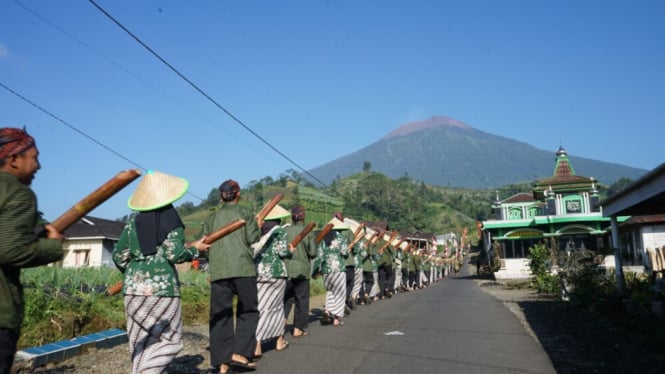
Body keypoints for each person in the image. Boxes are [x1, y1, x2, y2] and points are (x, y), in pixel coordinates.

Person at [112, 170, 210, 374]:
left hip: (132, 290)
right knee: (171, 341)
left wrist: (134, 272)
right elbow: (175, 253)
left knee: (140, 344)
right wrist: (195, 250)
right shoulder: (171, 220)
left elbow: (119, 255)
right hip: (163, 291)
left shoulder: (132, 223)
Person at [0, 127, 64, 374]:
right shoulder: (18, 193)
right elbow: (9, 250)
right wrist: (53, 245)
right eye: (34, 157)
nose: (38, 166)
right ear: (14, 160)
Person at [201, 179, 261, 374]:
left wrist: (216, 259)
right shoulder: (245, 213)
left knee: (220, 316)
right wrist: (257, 225)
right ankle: (240, 352)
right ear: (238, 194)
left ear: (221, 197)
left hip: (219, 272)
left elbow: (204, 246)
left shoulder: (211, 219)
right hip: (243, 269)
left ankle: (222, 362)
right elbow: (253, 238)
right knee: (249, 311)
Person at [252, 204, 293, 359]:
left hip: (259, 273)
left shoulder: (257, 232)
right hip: (276, 273)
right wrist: (290, 251)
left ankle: (256, 346)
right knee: (276, 308)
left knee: (261, 307)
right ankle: (279, 341)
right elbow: (282, 252)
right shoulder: (280, 231)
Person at [283, 205, 316, 338]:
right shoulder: (308, 231)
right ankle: (298, 329)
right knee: (301, 300)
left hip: (287, 270)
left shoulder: (285, 231)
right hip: (302, 270)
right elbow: (313, 253)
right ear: (304, 216)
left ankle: (282, 323)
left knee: (286, 300)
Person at [317, 216, 350, 326]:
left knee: (330, 291)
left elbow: (320, 255)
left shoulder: (323, 238)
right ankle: (336, 319)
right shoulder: (341, 238)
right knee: (340, 293)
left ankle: (327, 311)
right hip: (338, 269)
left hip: (326, 270)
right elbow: (345, 253)